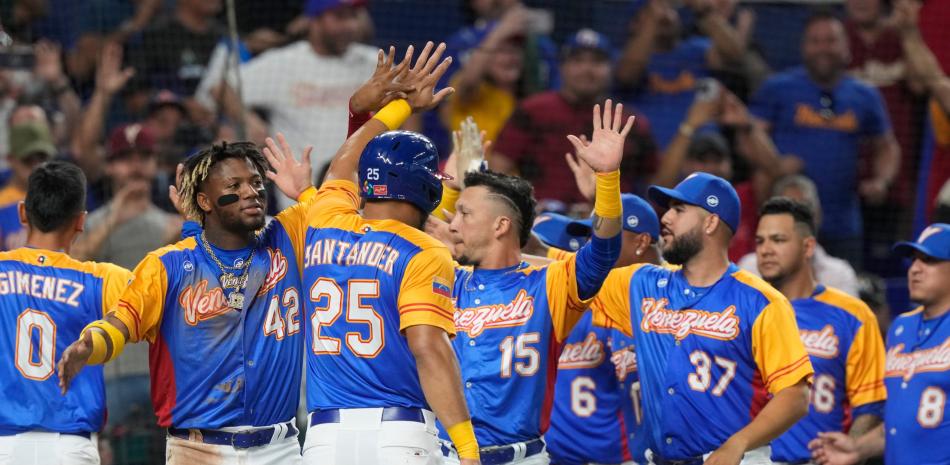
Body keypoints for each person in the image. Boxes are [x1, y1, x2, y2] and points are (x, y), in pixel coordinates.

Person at [261, 42, 481, 464]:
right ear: (426, 187)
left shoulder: (324, 218)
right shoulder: (424, 251)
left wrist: (397, 108)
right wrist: (468, 448)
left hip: (324, 438)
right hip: (399, 435)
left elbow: (346, 158)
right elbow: (428, 350)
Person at [57, 140, 313, 464]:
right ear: (205, 201)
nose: (251, 192)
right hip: (198, 451)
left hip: (282, 449)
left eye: (256, 182)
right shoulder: (168, 265)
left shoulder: (286, 237)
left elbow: (337, 221)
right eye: (234, 185)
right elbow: (121, 323)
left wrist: (305, 192)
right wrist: (86, 346)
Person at [430, 100, 628, 465]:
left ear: (501, 225)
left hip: (521, 456)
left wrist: (607, 180)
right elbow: (408, 231)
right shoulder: (447, 278)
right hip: (444, 454)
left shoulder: (550, 284)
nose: (453, 224)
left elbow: (603, 251)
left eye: (465, 214)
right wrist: (454, 186)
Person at [591, 172, 814, 465]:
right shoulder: (640, 284)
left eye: (679, 210)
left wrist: (739, 443)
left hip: (737, 458)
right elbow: (559, 274)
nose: (666, 218)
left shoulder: (761, 300)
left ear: (710, 222)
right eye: (668, 208)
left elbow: (795, 395)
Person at [0, 161, 133, 465]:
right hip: (69, 447)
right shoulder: (103, 278)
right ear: (81, 221)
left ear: (22, 212)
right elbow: (163, 296)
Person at [749, 11, 900, 268]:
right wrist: (774, 164)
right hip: (786, 223)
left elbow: (887, 146)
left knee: (842, 296)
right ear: (803, 47)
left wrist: (882, 181)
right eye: (815, 41)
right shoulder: (778, 88)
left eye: (830, 40)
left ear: (846, 47)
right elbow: (749, 135)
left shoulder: (865, 95)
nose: (823, 48)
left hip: (843, 224)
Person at [753, 197, 887, 465]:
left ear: (808, 246)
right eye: (760, 241)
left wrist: (849, 452)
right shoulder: (744, 310)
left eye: (778, 240)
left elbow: (870, 403)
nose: (766, 249)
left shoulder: (853, 315)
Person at [214, 0, 378, 209]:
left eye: (354, 17)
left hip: (365, 191)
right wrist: (248, 120)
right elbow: (223, 88)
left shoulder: (372, 61)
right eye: (339, 17)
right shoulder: (284, 62)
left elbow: (406, 99)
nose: (350, 26)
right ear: (314, 20)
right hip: (302, 196)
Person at [809, 223, 950, 465]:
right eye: (913, 259)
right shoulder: (900, 329)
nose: (915, 269)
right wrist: (856, 449)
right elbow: (897, 426)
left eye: (928, 260)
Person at [539, 195, 661, 465]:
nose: (593, 245)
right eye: (588, 238)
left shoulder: (647, 304)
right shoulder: (558, 306)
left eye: (599, 237)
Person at [492, 29, 655, 206]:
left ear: (610, 68)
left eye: (597, 62)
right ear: (562, 67)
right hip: (542, 220)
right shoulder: (533, 110)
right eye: (578, 61)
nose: (587, 69)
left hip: (611, 220)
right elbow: (498, 169)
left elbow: (656, 180)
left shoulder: (629, 121)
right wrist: (523, 209)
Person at [615, 0, 746, 148]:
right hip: (648, 154)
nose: (663, 13)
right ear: (634, 24)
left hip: (702, 150)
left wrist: (703, 10)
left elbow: (735, 55)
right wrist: (653, 20)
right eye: (649, 11)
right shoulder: (625, 58)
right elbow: (626, 75)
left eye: (668, 8)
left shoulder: (696, 49)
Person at [739, 175, 861, 297]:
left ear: (817, 215)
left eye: (802, 211)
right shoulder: (749, 270)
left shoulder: (840, 274)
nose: (794, 219)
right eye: (760, 241)